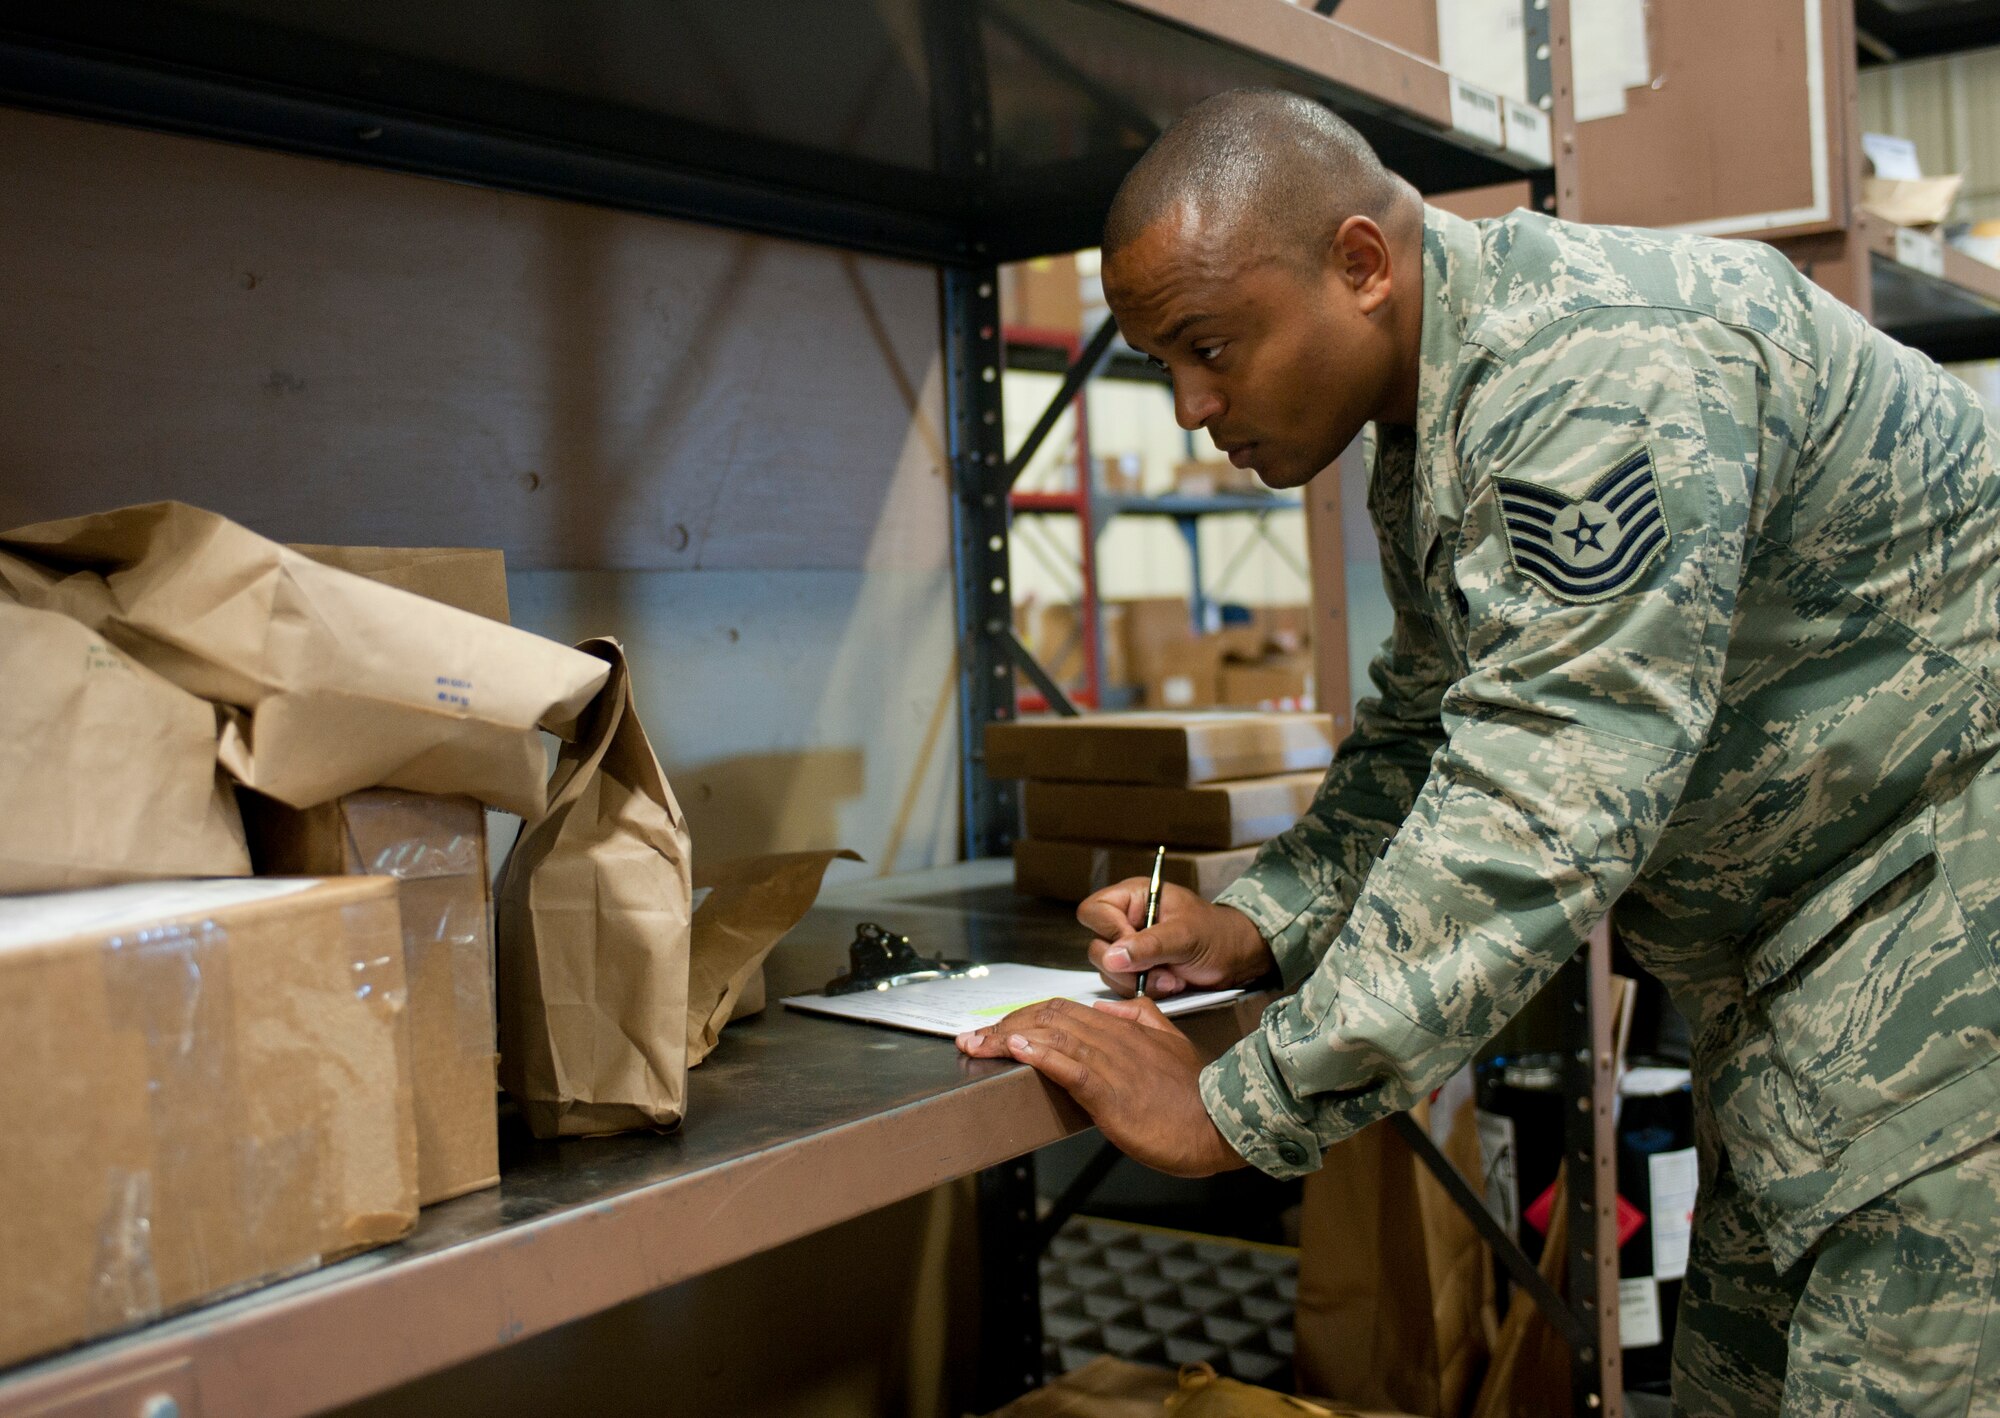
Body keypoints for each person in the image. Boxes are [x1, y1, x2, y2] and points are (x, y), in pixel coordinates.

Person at [956, 89, 2000, 1414]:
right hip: (1816, 1010)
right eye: (1162, 361)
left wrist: (1240, 1101)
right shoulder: (1447, 403)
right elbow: (1431, 728)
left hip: (1947, 998)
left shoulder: (1593, 372)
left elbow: (1546, 788)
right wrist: (1259, 926)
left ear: (1361, 265)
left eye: (1209, 345)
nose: (1190, 405)